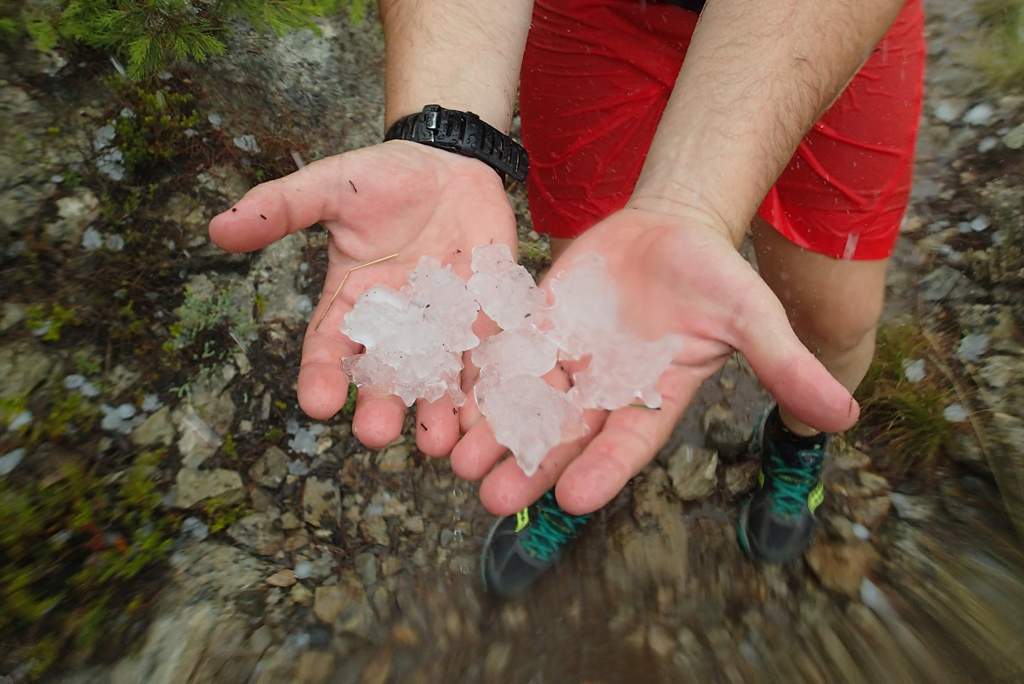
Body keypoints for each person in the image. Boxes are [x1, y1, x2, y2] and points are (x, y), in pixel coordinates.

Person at [209, 0, 925, 598]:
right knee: (587, 294)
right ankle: (563, 457)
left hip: (818, 22)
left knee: (832, 321)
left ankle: (797, 441)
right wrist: (445, 140)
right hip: (593, 16)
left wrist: (695, 202)